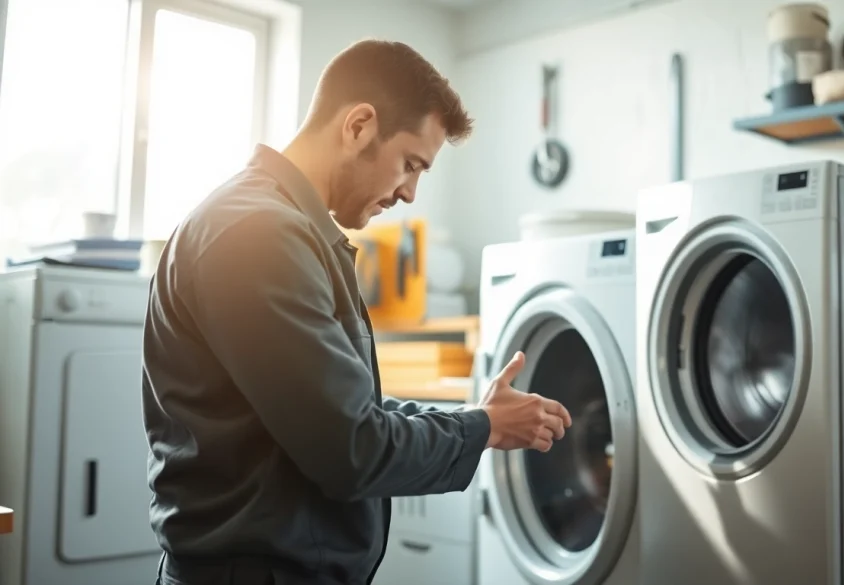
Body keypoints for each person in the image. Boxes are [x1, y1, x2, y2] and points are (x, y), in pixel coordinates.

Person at [141, 39, 573, 585]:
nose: (412, 193)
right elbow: (353, 448)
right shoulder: (257, 234)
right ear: (359, 126)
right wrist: (482, 428)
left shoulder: (286, 229)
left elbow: (344, 410)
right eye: (411, 164)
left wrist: (473, 416)